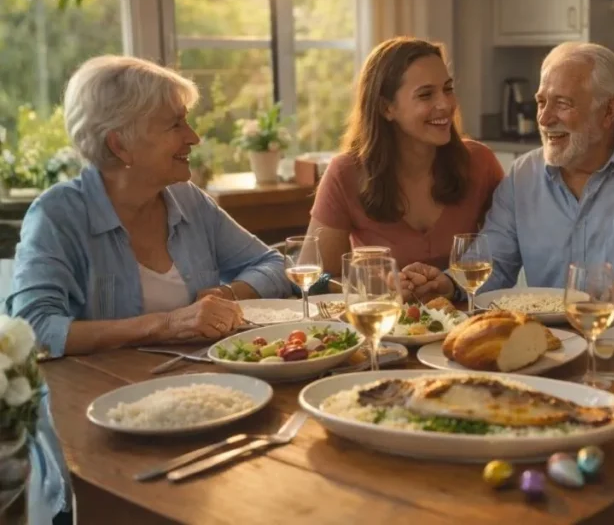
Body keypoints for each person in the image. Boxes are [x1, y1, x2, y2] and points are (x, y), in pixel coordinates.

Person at [6, 55, 293, 524]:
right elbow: (34, 329)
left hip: (200, 401)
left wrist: (224, 298)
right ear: (121, 143)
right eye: (175, 124)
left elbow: (271, 263)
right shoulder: (57, 216)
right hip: (100, 426)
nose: (194, 138)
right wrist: (166, 323)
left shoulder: (189, 201)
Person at [402, 42, 614, 301]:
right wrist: (447, 284)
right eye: (542, 102)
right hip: (548, 343)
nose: (544, 119)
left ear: (608, 110)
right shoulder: (523, 176)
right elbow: (495, 262)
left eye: (562, 104)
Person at [306, 37, 504, 279]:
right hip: (384, 315)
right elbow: (314, 278)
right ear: (386, 108)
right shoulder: (345, 172)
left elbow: (506, 249)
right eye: (426, 95)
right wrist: (374, 285)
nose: (445, 104)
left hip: (461, 315)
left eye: (448, 89)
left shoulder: (479, 162)